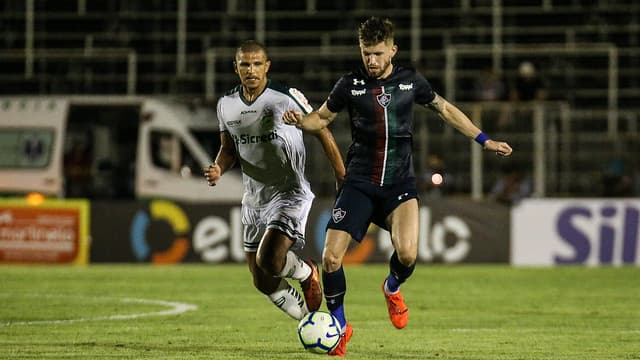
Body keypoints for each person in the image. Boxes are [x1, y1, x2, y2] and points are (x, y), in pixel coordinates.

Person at [283, 17, 513, 356]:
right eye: (366, 54)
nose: (371, 61)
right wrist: (301, 121)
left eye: (377, 53)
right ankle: (340, 328)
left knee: (407, 253)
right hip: (359, 183)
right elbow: (322, 118)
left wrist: (484, 139)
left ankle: (391, 288)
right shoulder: (349, 84)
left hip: (398, 185)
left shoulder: (410, 82)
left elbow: (445, 109)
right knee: (331, 258)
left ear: (393, 50)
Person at [204, 40, 346, 322]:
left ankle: (307, 272)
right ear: (236, 68)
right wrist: (219, 168)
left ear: (267, 66)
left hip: (289, 193)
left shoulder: (285, 96)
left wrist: (342, 175)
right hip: (254, 198)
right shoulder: (226, 105)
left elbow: (321, 128)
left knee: (269, 259)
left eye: (257, 63)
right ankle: (309, 321)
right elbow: (229, 149)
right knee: (263, 280)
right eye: (245, 64)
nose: (251, 70)